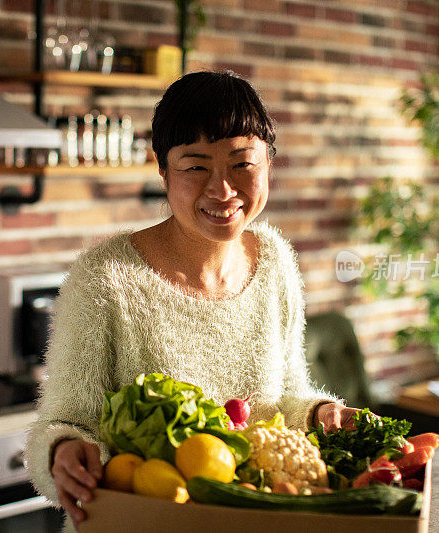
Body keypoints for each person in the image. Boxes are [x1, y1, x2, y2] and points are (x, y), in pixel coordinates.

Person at [24, 71, 361, 529]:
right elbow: (63, 422)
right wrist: (62, 451)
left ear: (269, 164)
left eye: (243, 163)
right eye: (195, 166)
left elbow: (284, 398)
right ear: (163, 170)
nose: (222, 190)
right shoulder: (106, 278)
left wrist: (319, 413)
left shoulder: (276, 262)